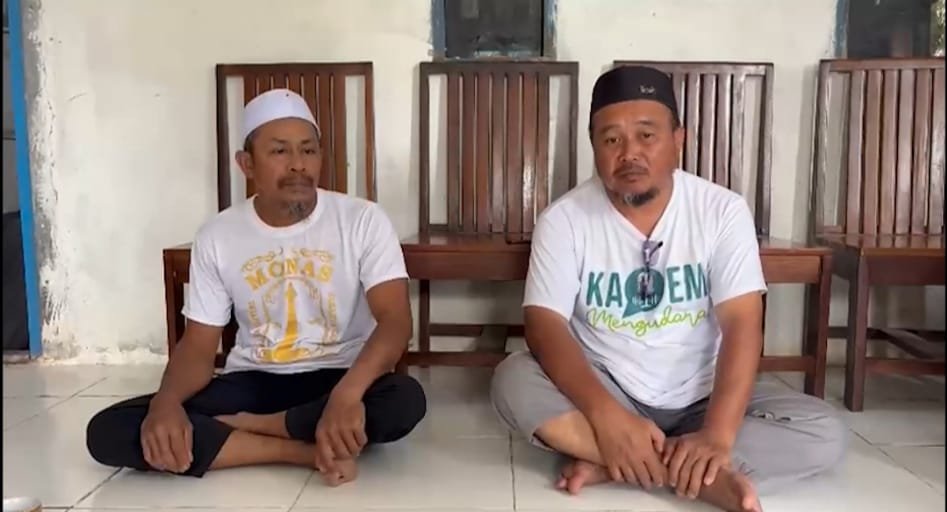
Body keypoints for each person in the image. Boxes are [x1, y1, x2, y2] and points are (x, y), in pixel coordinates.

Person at [490, 66, 847, 511]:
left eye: (646, 135)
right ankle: (693, 474)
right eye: (611, 139)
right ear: (594, 146)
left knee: (824, 431)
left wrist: (718, 435)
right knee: (512, 380)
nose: (629, 153)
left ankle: (617, 462)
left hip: (702, 394)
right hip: (610, 386)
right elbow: (545, 326)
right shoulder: (564, 220)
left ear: (679, 140)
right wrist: (606, 415)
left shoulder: (722, 211)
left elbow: (742, 324)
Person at [86, 88, 426, 486]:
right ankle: (300, 449)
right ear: (246, 164)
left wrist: (347, 395)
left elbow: (395, 321)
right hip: (255, 380)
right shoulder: (218, 235)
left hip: (340, 372)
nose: (298, 164)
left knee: (403, 400)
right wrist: (167, 402)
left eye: (309, 150)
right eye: (280, 151)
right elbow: (198, 345)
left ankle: (246, 431)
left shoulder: (363, 220)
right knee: (110, 430)